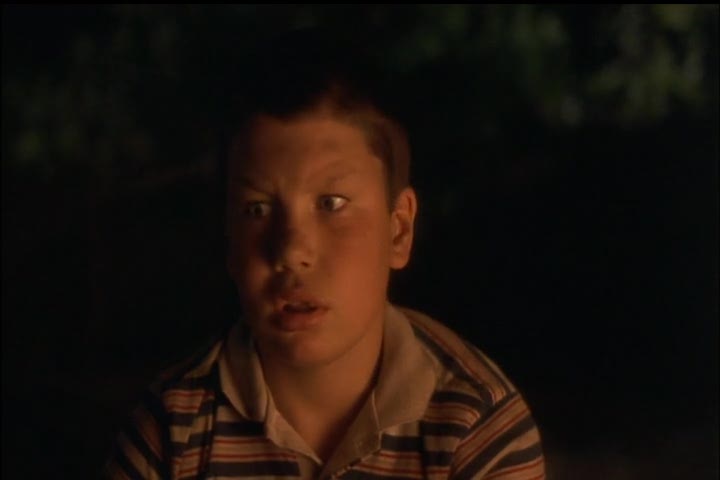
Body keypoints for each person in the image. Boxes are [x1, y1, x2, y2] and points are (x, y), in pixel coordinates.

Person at [104, 28, 545, 479]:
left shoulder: (475, 426)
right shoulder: (173, 430)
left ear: (398, 230)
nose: (291, 250)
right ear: (228, 240)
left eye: (331, 204)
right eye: (257, 209)